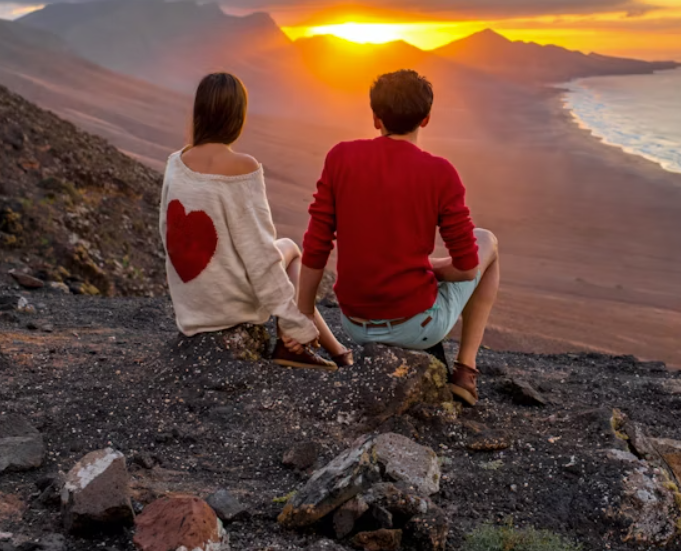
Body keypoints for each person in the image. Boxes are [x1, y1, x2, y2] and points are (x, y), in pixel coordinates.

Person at [296, 69, 501, 404]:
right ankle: (466, 370)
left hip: (355, 326)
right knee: (488, 241)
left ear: (376, 118)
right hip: (417, 328)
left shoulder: (340, 158)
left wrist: (303, 313)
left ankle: (460, 367)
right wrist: (429, 268)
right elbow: (467, 269)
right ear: (426, 119)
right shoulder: (440, 173)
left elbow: (316, 243)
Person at [160, 72, 352, 370]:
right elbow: (261, 258)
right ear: (238, 116)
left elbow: (168, 233)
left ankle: (339, 351)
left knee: (280, 250)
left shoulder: (175, 163)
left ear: (200, 111)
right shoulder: (243, 168)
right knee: (288, 248)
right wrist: (294, 323)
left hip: (191, 311)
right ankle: (299, 346)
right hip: (231, 308)